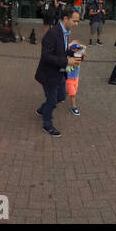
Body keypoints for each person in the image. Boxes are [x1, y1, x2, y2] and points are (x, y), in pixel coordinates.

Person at [35, 8, 81, 138]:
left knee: (61, 96)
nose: (76, 24)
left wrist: (77, 53)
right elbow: (46, 56)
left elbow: (63, 50)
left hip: (59, 72)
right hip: (48, 74)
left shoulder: (66, 31)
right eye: (75, 21)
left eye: (78, 21)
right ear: (65, 19)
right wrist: (67, 62)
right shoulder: (52, 33)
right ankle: (47, 124)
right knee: (52, 100)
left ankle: (42, 109)